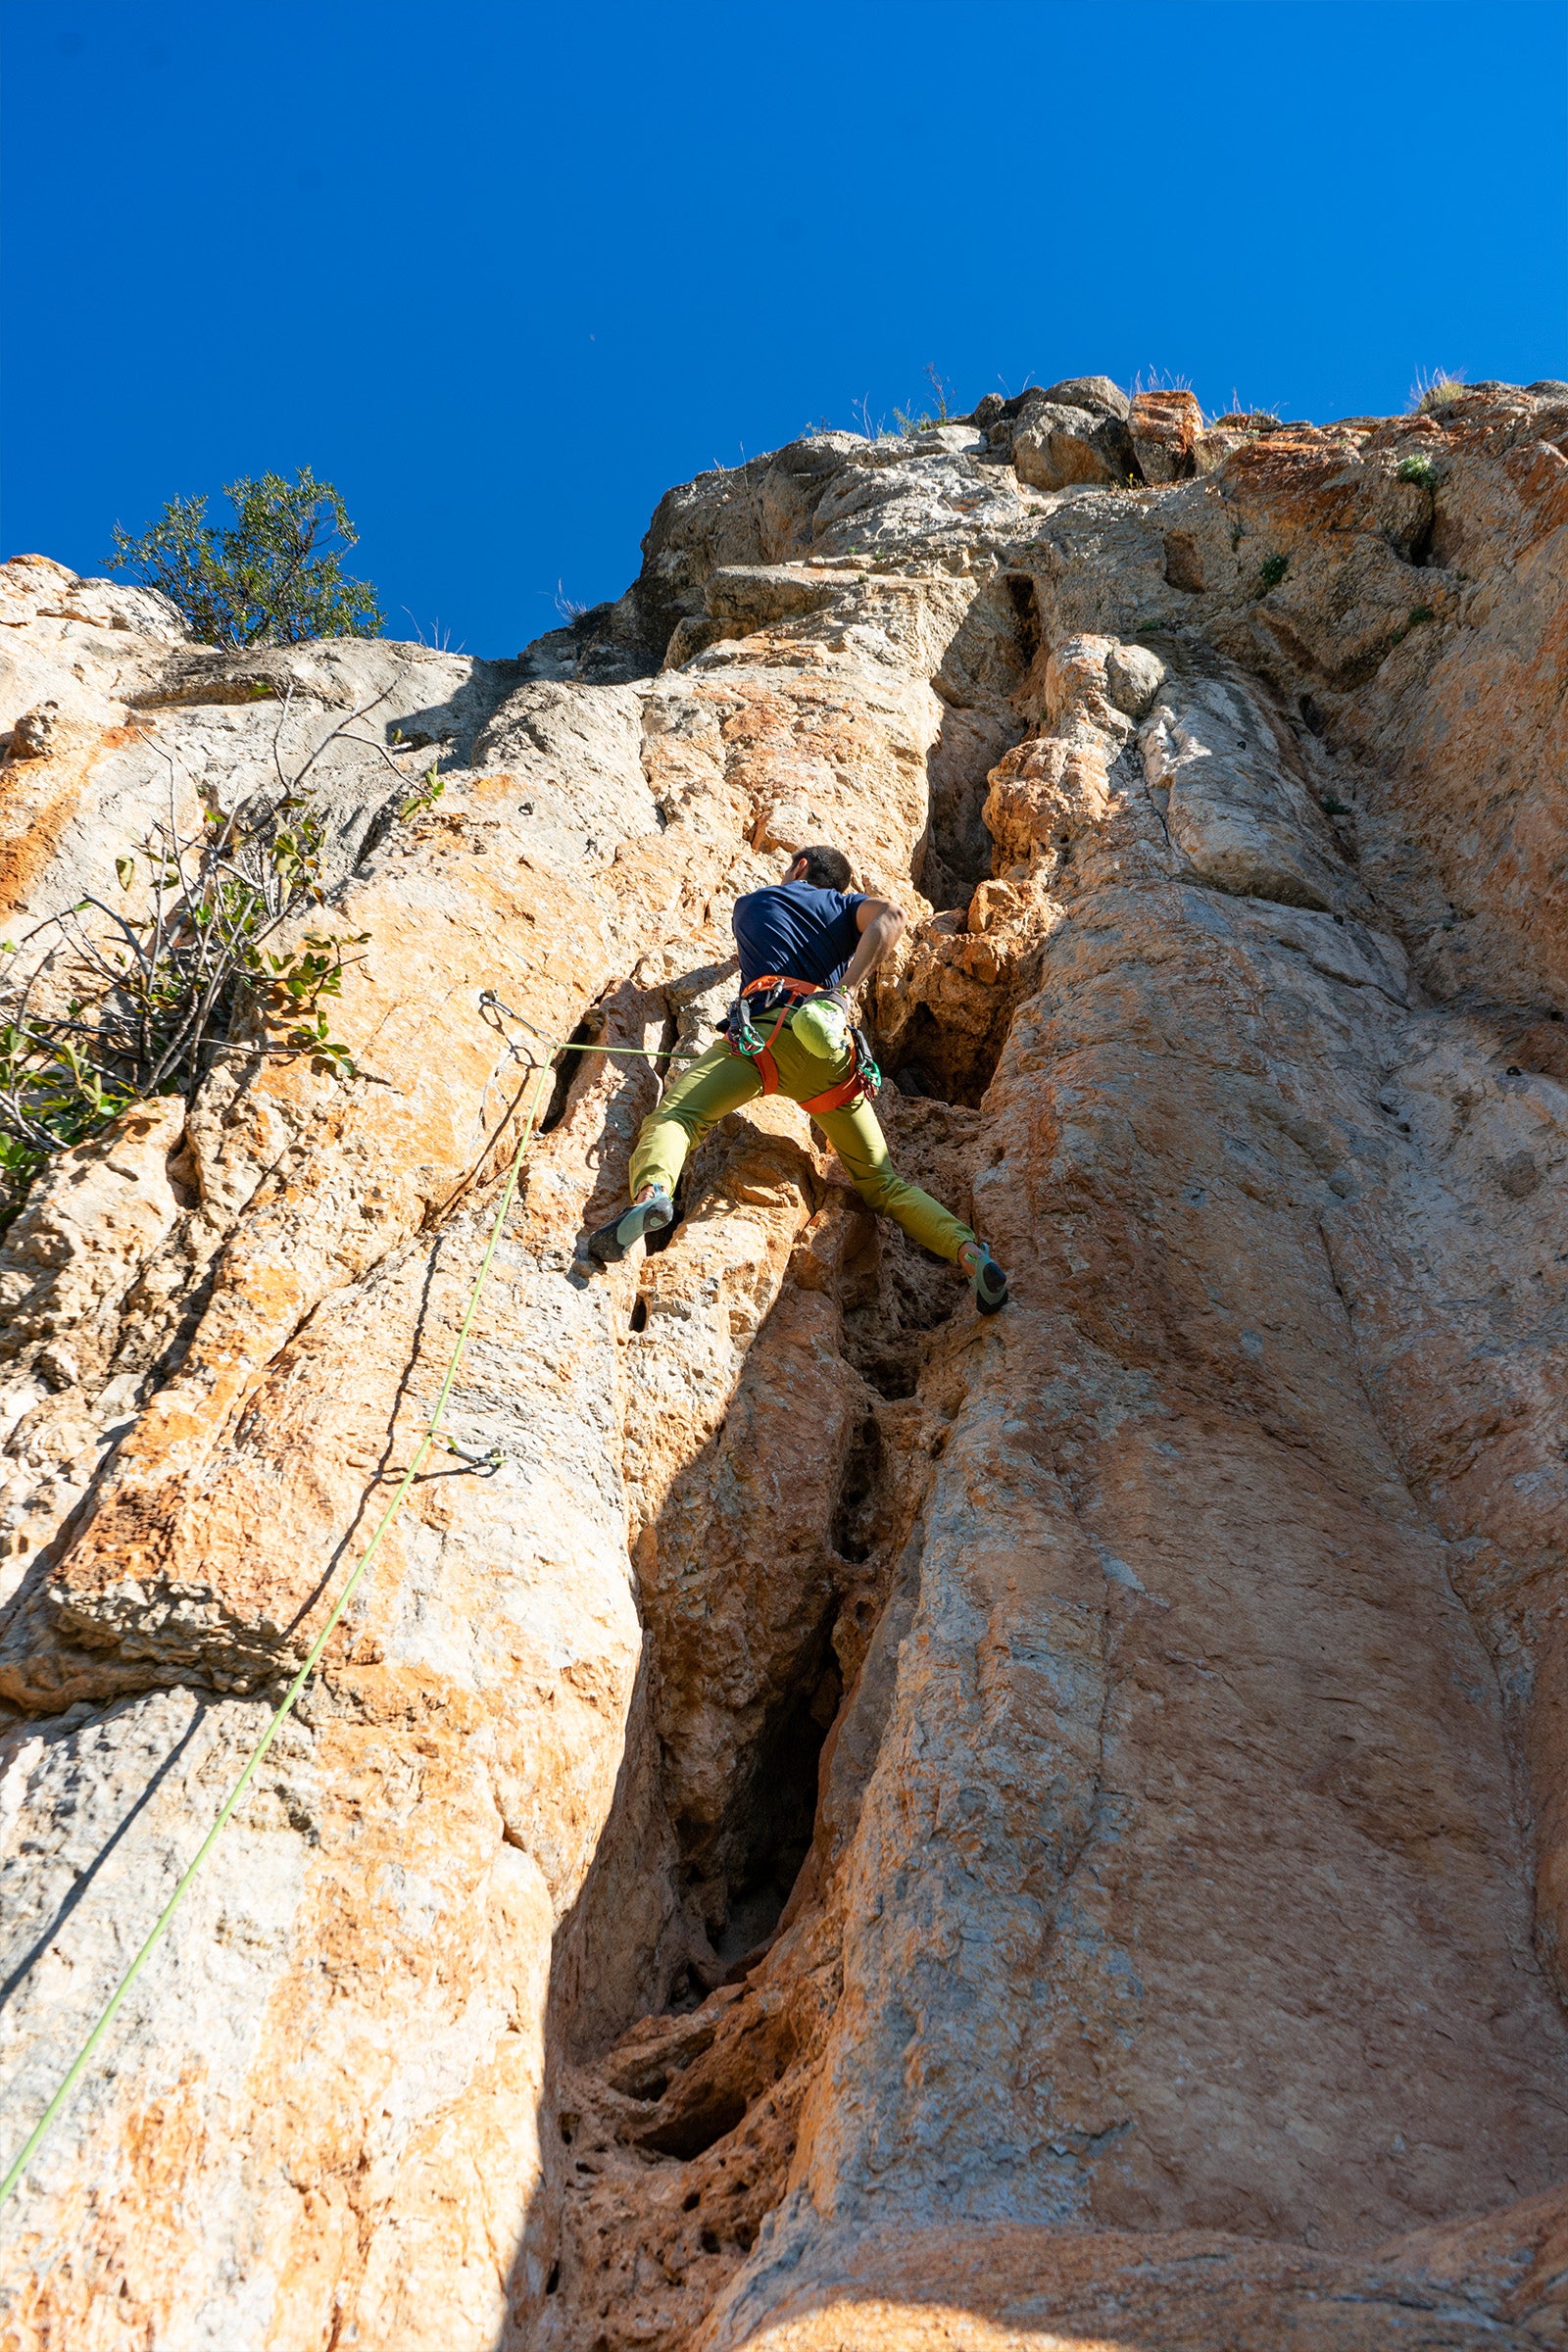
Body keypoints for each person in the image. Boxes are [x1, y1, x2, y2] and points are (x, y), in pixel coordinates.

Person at [587, 844, 1008, 1311]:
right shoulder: (845, 908)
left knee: (677, 1118)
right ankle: (968, 1253)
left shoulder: (752, 904)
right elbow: (891, 913)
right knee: (883, 1184)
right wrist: (841, 994)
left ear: (801, 866)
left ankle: (652, 1194)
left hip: (761, 1044)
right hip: (828, 1058)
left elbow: (748, 956)